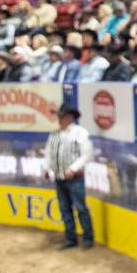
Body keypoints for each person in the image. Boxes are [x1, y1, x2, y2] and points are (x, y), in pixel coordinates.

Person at [44, 102, 95, 250]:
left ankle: (87, 237)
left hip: (75, 178)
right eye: (59, 116)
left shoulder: (81, 133)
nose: (60, 119)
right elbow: (49, 153)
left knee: (80, 207)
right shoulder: (54, 135)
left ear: (69, 117)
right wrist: (47, 168)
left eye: (63, 116)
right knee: (64, 208)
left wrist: (73, 168)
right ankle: (70, 237)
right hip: (60, 176)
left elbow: (86, 154)